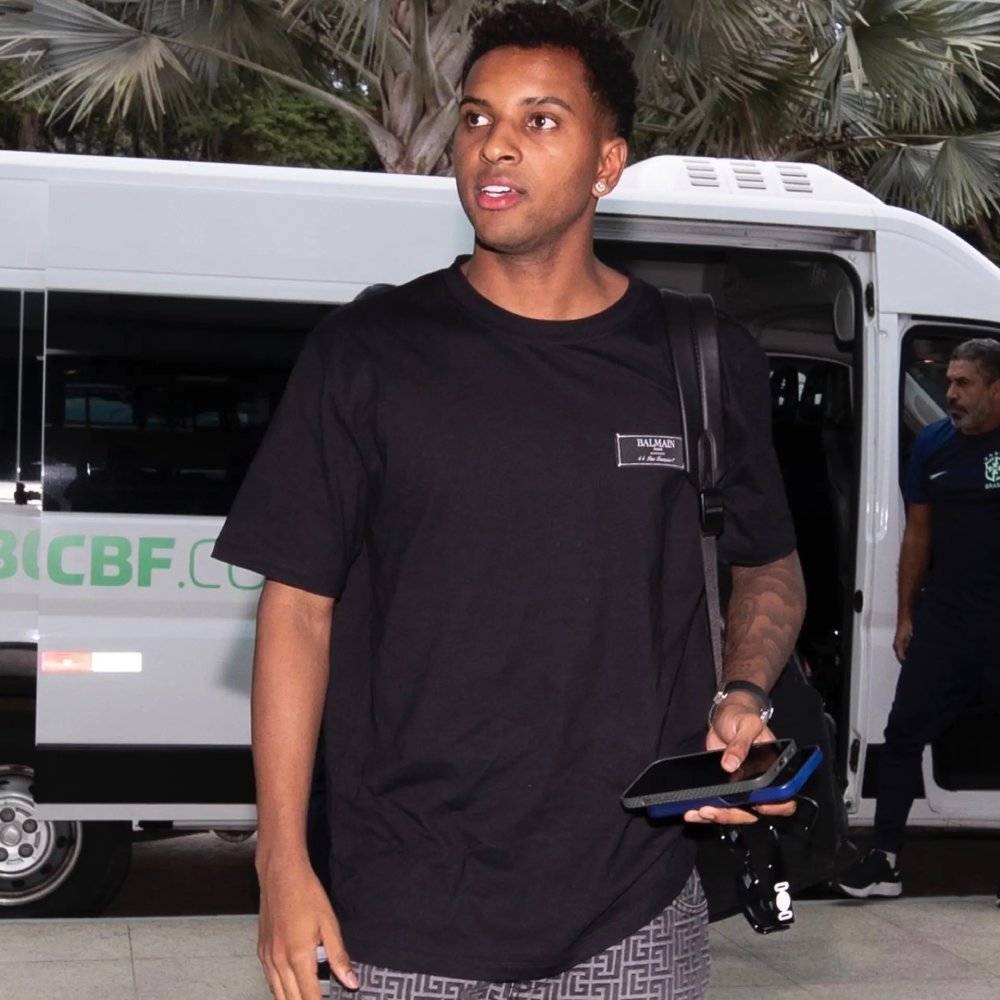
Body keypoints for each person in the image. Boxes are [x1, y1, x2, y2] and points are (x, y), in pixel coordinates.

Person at [213, 4, 805, 999]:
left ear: (607, 164)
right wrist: (280, 860)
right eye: (478, 117)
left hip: (632, 907)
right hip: (399, 909)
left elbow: (767, 562)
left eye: (540, 120)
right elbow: (297, 609)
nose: (495, 143)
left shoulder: (700, 359)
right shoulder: (367, 353)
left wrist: (741, 696)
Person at [835, 338, 1000, 899]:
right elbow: (918, 536)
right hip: (947, 620)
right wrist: (906, 615)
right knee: (903, 732)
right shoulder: (933, 445)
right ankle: (883, 861)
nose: (950, 393)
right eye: (949, 381)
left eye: (963, 383)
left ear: (996, 388)